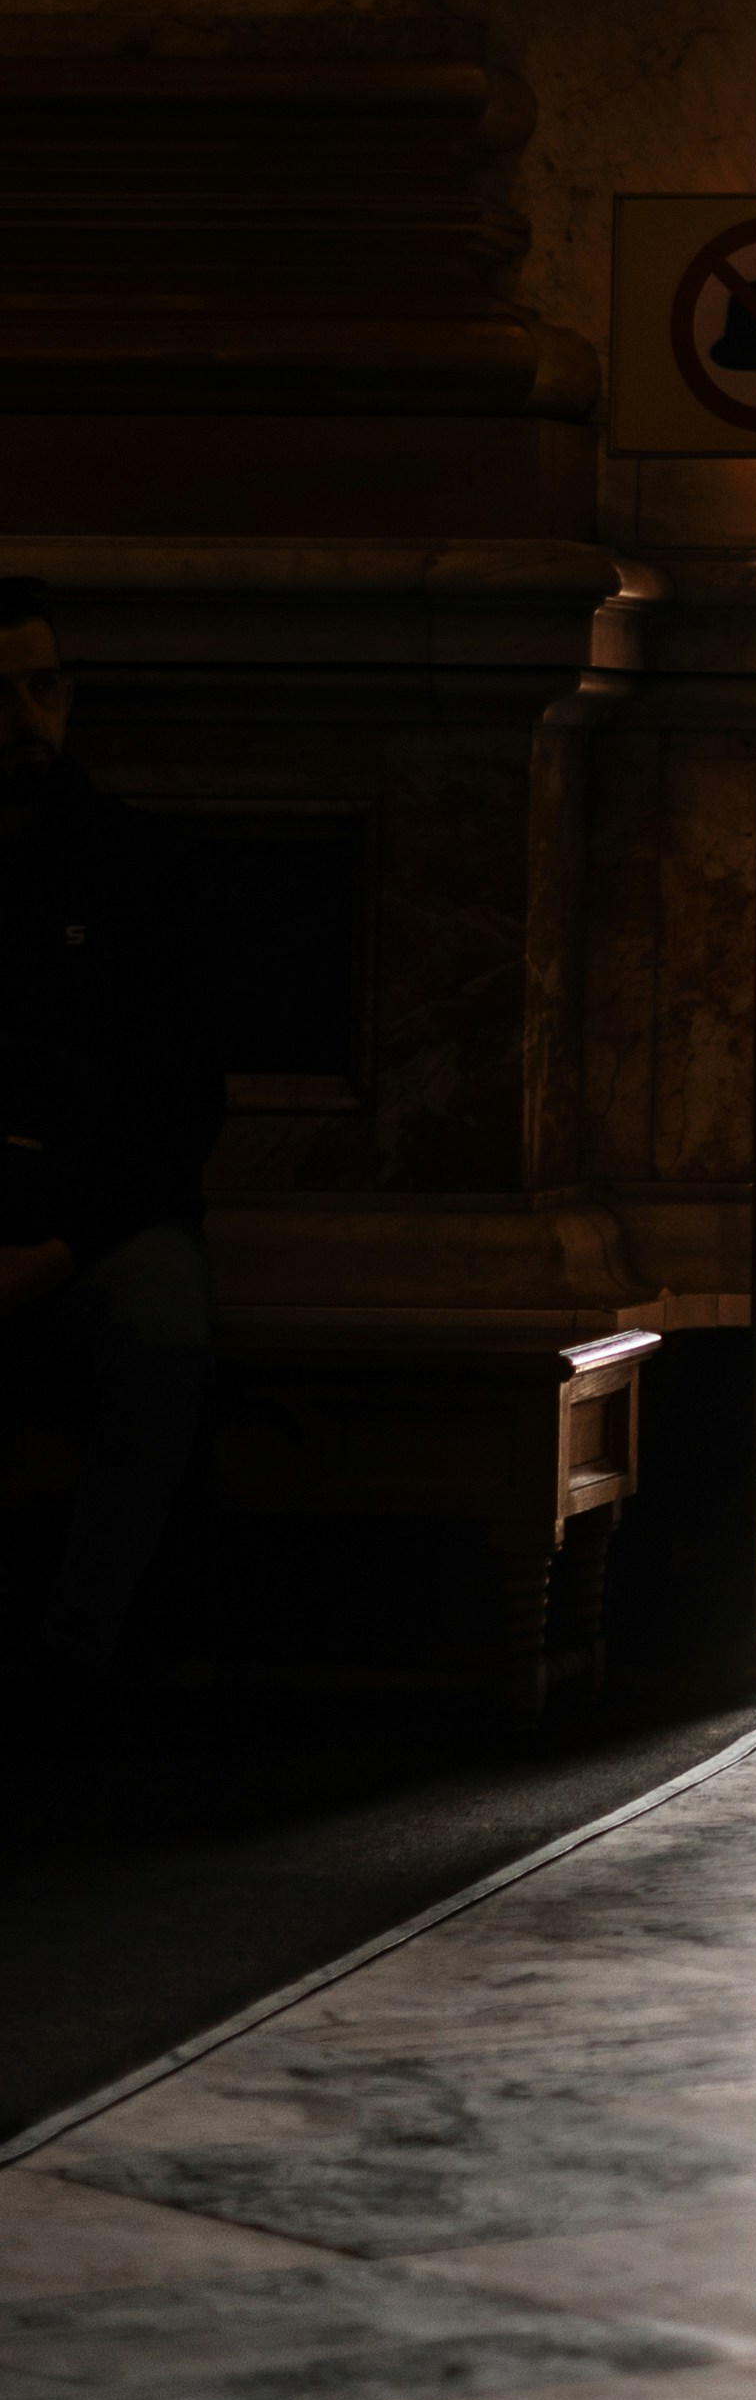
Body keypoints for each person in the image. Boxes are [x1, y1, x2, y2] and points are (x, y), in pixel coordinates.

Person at [0, 582, 225, 1667]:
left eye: (42, 687)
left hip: (99, 1213)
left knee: (163, 1328)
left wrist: (53, 1248)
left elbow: (173, 1115)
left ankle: (77, 1645)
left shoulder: (138, 865)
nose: (24, 718)